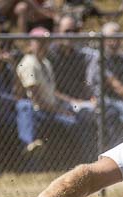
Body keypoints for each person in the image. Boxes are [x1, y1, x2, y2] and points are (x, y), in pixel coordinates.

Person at [15, 26, 96, 160]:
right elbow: (37, 101)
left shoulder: (45, 63)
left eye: (46, 42)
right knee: (73, 123)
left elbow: (52, 91)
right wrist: (60, 111)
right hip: (39, 111)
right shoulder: (29, 63)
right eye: (39, 42)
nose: (43, 45)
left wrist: (72, 101)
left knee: (83, 116)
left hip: (51, 107)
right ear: (31, 43)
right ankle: (84, 159)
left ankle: (87, 159)